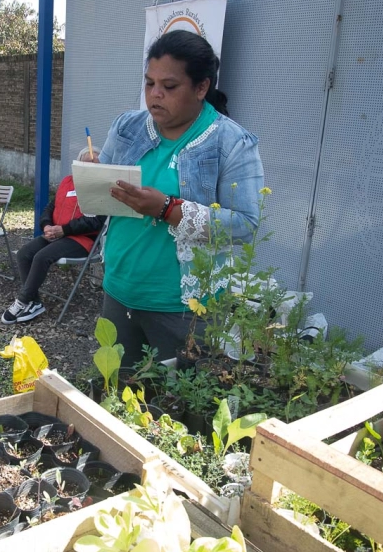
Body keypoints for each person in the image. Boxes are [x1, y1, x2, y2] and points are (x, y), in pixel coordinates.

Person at [99, 30, 265, 364]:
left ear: (201, 87)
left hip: (184, 308)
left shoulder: (230, 142)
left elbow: (245, 224)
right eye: (149, 83)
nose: (155, 95)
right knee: (116, 386)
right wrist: (91, 172)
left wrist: (167, 209)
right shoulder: (127, 128)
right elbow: (103, 189)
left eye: (169, 86)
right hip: (119, 288)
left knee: (177, 392)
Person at [2, 147, 107, 324]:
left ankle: (23, 300)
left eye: (95, 163)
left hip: (81, 240)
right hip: (57, 234)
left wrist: (64, 229)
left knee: (41, 257)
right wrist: (46, 225)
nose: (90, 166)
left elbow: (95, 221)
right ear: (78, 164)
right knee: (24, 254)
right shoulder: (67, 181)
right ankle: (35, 302)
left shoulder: (101, 188)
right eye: (86, 162)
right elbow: (50, 207)